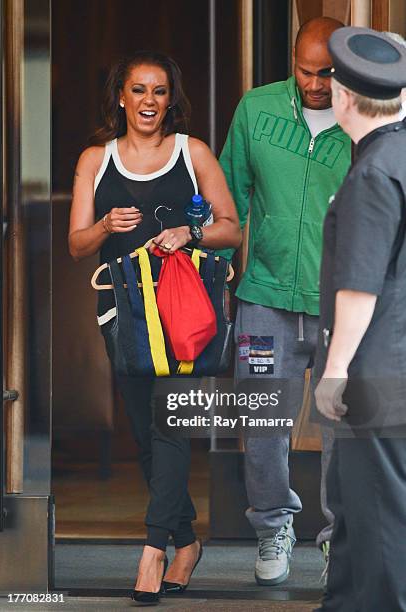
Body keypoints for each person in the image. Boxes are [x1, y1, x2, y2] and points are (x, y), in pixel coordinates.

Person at [69, 51, 241, 604]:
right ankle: (187, 540)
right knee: (145, 435)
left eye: (159, 91)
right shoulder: (96, 160)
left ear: (172, 99)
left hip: (182, 317)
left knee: (168, 425)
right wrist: (102, 225)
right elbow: (76, 246)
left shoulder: (193, 153)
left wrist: (190, 236)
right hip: (123, 317)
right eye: (138, 90)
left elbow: (231, 230)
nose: (148, 101)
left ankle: (154, 551)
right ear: (121, 96)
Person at [218, 17, 351, 585]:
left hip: (341, 307)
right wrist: (218, 277)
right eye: (305, 71)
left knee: (344, 427)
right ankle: (273, 526)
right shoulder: (257, 109)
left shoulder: (369, 118)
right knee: (264, 421)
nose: (316, 84)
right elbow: (230, 196)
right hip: (265, 297)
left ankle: (339, 541)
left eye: (328, 73)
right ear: (291, 64)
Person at [314, 27, 406, 611]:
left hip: (373, 367)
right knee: (355, 504)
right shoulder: (397, 151)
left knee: (377, 516)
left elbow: (360, 287)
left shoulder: (373, 172)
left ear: (344, 97)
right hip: (394, 362)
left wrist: (335, 371)